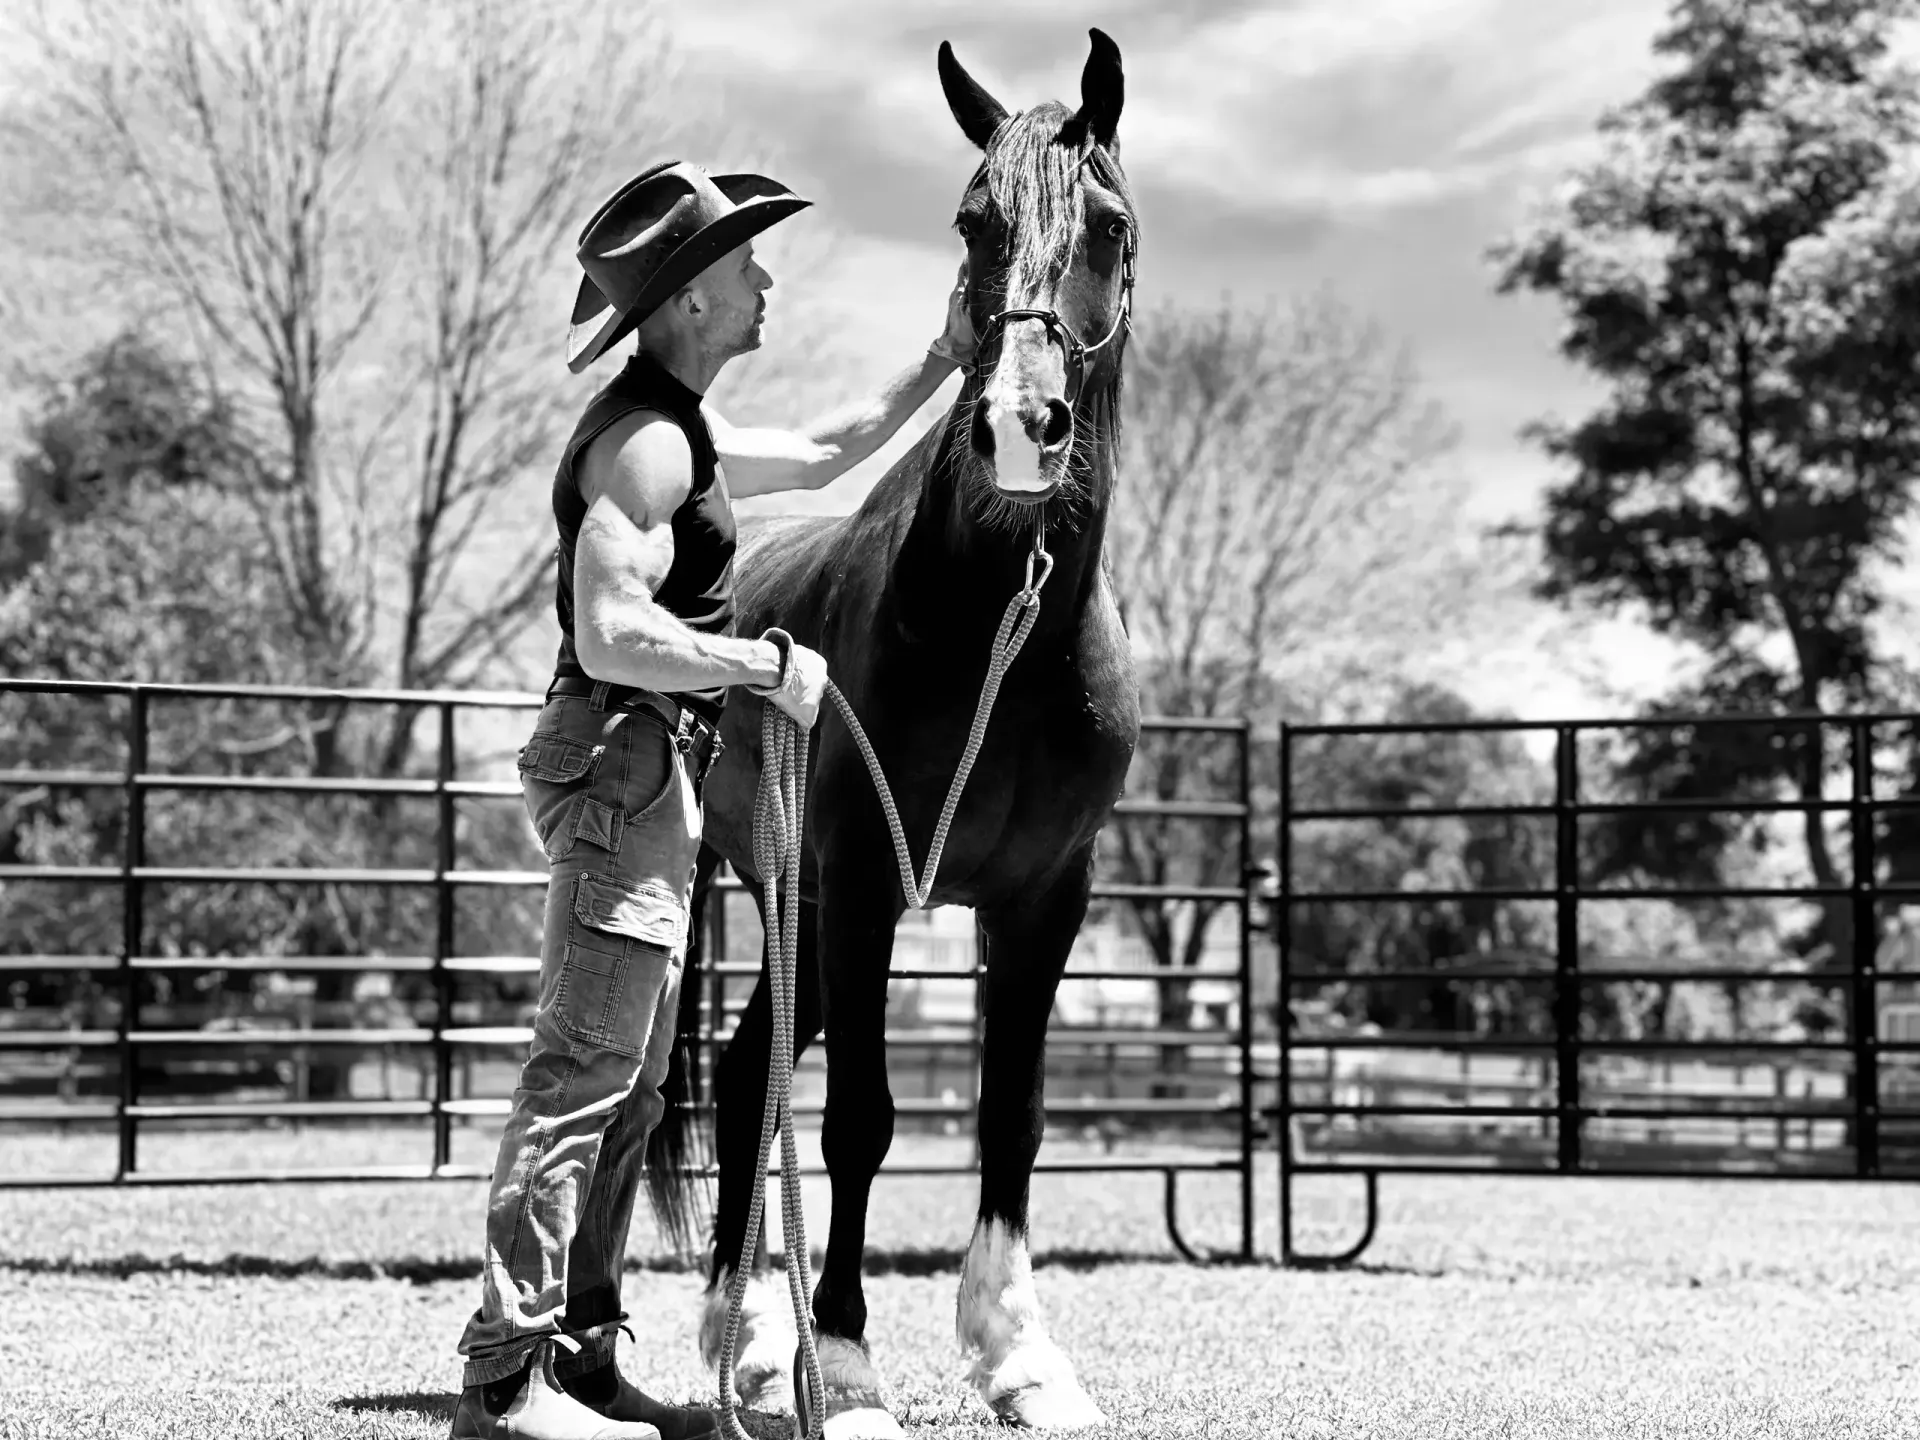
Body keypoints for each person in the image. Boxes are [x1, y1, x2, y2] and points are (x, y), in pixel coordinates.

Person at [450, 160, 976, 1440]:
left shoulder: (683, 429)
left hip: (660, 774)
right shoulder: (639, 443)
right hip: (624, 761)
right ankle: (505, 1375)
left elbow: (831, 446)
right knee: (582, 1075)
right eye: (745, 265)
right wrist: (762, 664)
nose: (766, 282)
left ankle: (579, 1361)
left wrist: (949, 357)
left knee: (630, 1087)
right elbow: (612, 628)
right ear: (688, 297)